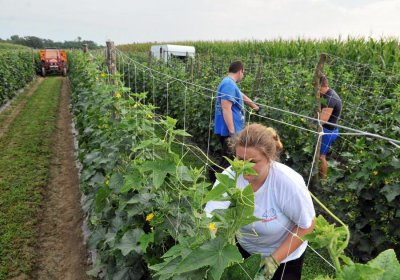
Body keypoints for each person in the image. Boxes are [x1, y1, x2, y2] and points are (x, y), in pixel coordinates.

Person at [205, 123, 316, 280]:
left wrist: (273, 261)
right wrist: (208, 241)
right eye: (240, 159)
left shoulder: (287, 182)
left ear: (269, 158)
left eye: (253, 161)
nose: (244, 167)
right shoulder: (231, 176)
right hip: (247, 251)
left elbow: (307, 226)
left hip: (284, 256)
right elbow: (211, 216)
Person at [213, 61, 259, 174]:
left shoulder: (229, 83)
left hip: (231, 130)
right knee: (229, 161)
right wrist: (232, 133)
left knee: (228, 159)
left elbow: (240, 95)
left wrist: (255, 107)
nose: (243, 76)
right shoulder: (228, 84)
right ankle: (215, 178)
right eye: (243, 73)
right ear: (240, 71)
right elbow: (226, 108)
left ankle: (216, 176)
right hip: (229, 131)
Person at [319, 76, 342, 179]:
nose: (317, 92)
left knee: (321, 156)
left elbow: (323, 120)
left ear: (324, 86)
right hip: (327, 130)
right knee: (318, 154)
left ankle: (323, 180)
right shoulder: (327, 94)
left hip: (328, 132)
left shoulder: (330, 98)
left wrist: (310, 124)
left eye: (318, 89)